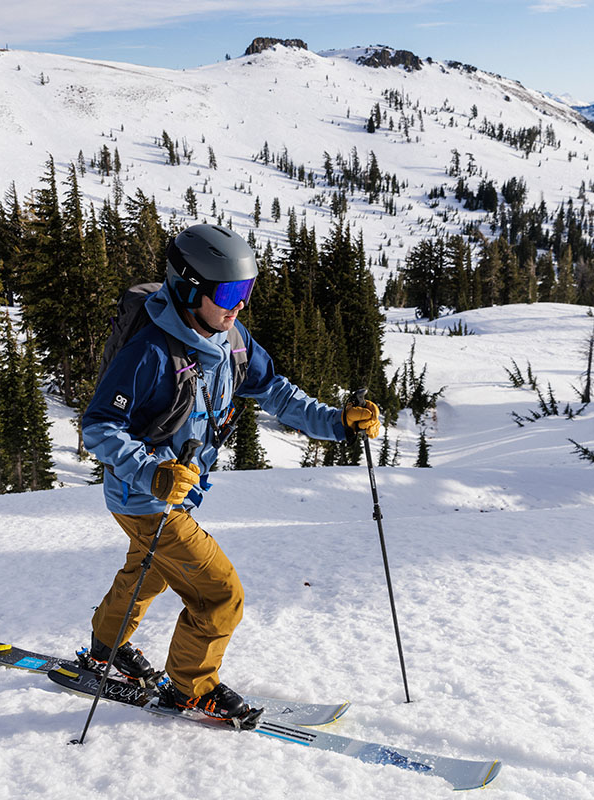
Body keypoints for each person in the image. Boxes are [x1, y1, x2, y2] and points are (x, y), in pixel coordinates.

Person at [81, 224, 380, 722]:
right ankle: (191, 689)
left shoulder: (231, 338)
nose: (238, 304)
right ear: (188, 287)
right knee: (220, 594)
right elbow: (99, 426)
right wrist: (151, 473)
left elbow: (278, 393)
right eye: (228, 293)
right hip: (147, 499)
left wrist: (337, 422)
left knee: (147, 574)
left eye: (246, 291)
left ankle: (102, 651)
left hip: (173, 496)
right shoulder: (151, 352)